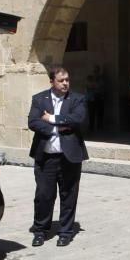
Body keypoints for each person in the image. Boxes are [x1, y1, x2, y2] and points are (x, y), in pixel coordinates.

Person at [28, 66, 89, 247]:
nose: (65, 84)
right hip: (46, 158)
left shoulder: (77, 99)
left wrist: (51, 118)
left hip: (68, 157)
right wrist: (58, 127)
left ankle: (65, 231)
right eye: (61, 80)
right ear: (52, 82)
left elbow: (77, 119)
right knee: (43, 196)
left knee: (68, 195)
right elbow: (32, 121)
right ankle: (40, 230)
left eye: (67, 80)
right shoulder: (39, 99)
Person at [85, 64, 104, 132]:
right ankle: (91, 127)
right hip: (91, 98)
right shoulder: (90, 77)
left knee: (99, 113)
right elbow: (88, 85)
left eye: (97, 70)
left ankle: (99, 127)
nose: (95, 72)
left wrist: (94, 85)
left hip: (98, 97)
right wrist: (94, 85)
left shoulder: (101, 78)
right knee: (91, 113)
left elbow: (100, 86)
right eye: (94, 70)